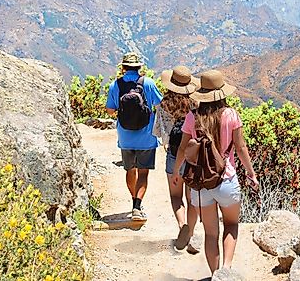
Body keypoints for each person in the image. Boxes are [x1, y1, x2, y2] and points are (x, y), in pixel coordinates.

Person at [173, 69, 259, 274]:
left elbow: (183, 149)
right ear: (221, 93)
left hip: (201, 183)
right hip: (227, 180)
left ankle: (214, 274)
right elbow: (240, 148)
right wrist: (251, 173)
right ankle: (226, 270)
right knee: (231, 225)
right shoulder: (231, 115)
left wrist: (177, 173)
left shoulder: (192, 117)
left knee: (210, 234)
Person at [105, 52, 163, 222]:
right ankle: (137, 206)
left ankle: (134, 201)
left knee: (130, 170)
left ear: (123, 68)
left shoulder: (115, 85)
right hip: (146, 136)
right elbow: (159, 104)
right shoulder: (149, 83)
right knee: (143, 173)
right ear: (139, 67)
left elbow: (109, 109)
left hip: (125, 137)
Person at [153, 65, 200, 251]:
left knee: (175, 196)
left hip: (173, 154)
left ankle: (182, 226)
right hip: (193, 156)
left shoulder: (163, 105)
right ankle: (192, 235)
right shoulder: (195, 105)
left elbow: (158, 132)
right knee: (192, 199)